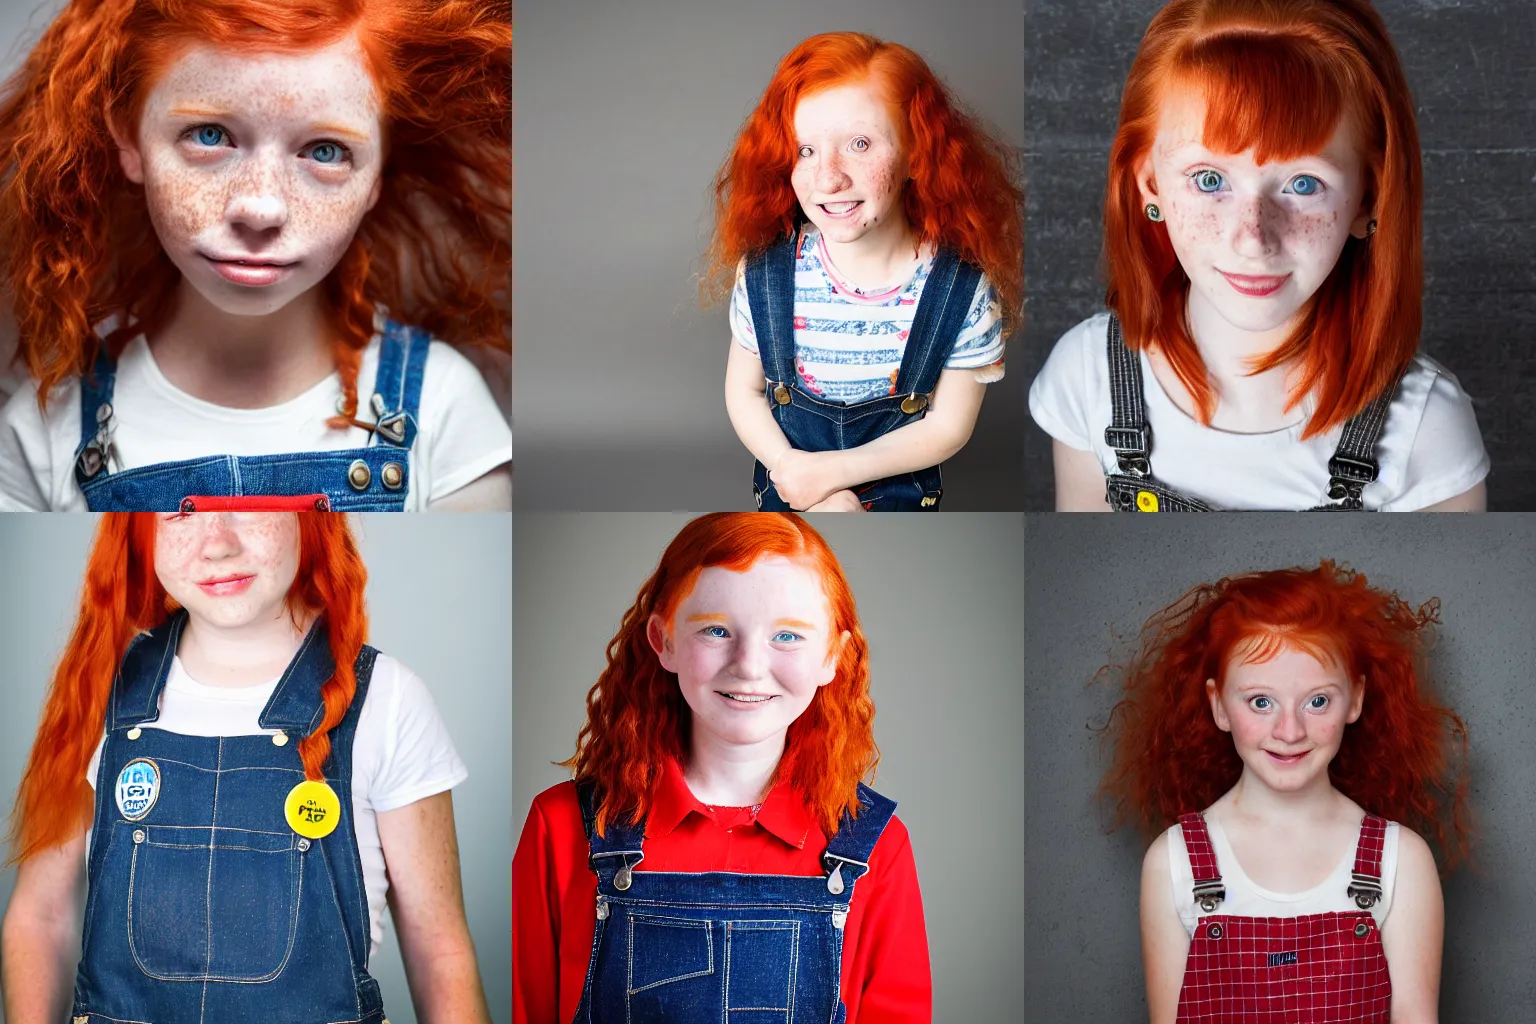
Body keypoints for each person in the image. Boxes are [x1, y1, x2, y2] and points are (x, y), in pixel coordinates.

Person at [0, 0, 513, 511]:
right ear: (130, 138)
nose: (261, 207)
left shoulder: (446, 412)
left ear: (377, 174)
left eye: (325, 150)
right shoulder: (44, 430)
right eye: (210, 136)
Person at [1, 512, 491, 1022]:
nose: (218, 545)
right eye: (181, 510)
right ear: (136, 526)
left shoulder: (388, 701)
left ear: (310, 514)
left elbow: (441, 951)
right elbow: (40, 917)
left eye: (249, 501)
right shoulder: (97, 690)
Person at [1030, 0, 1488, 511]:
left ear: (1368, 199)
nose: (1253, 239)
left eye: (1303, 183)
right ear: (1151, 185)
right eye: (1209, 180)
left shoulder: (1426, 428)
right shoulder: (1087, 377)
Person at [513, 512, 930, 1022]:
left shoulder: (878, 847)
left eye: (788, 636)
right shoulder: (560, 828)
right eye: (716, 630)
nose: (749, 665)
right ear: (662, 640)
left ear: (833, 657)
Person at [1100, 562, 1469, 1022]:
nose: (1290, 730)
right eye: (1261, 701)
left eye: (1317, 701)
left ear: (1355, 699)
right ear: (1218, 706)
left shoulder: (1401, 860)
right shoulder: (1174, 862)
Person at [709, 32, 1023, 511]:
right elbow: (743, 391)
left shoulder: (963, 291)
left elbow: (948, 427)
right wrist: (792, 468)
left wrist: (834, 475)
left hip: (898, 493)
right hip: (789, 482)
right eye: (805, 150)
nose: (828, 177)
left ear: (917, 153)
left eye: (859, 143)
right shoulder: (766, 275)